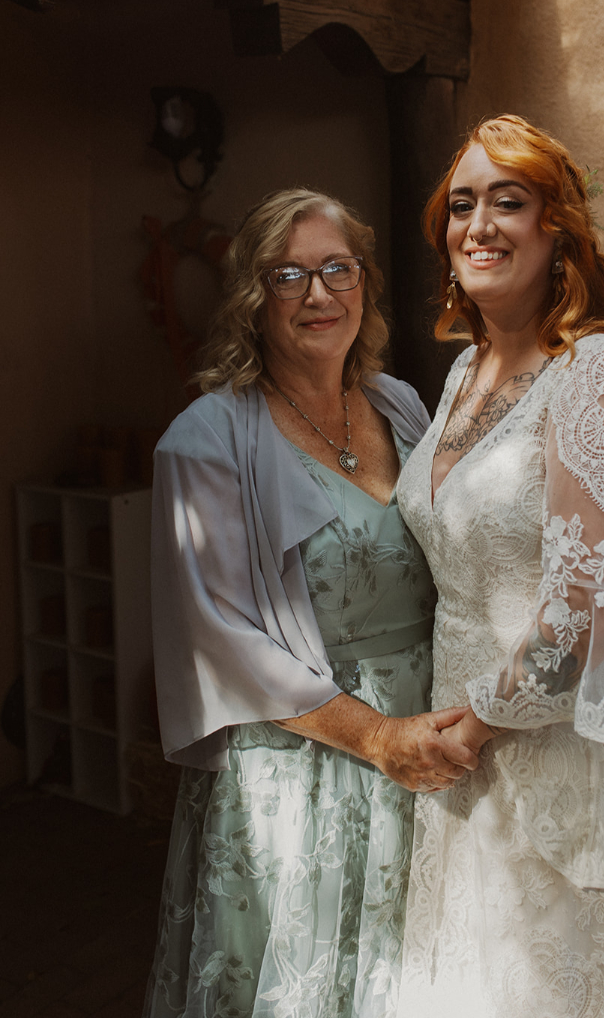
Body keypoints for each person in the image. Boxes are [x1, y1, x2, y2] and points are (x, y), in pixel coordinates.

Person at [395, 116, 604, 1018]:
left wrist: (471, 731)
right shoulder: (463, 373)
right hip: (467, 763)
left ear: (560, 231)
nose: (479, 224)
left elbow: (586, 610)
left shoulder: (603, 375)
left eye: (510, 201)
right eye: (461, 204)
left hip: (569, 762)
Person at [143, 188, 477, 1018]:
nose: (319, 294)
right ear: (254, 301)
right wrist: (375, 737)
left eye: (338, 268)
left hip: (426, 748)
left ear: (364, 285)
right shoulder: (206, 439)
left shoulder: (401, 404)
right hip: (302, 773)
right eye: (289, 276)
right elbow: (218, 636)